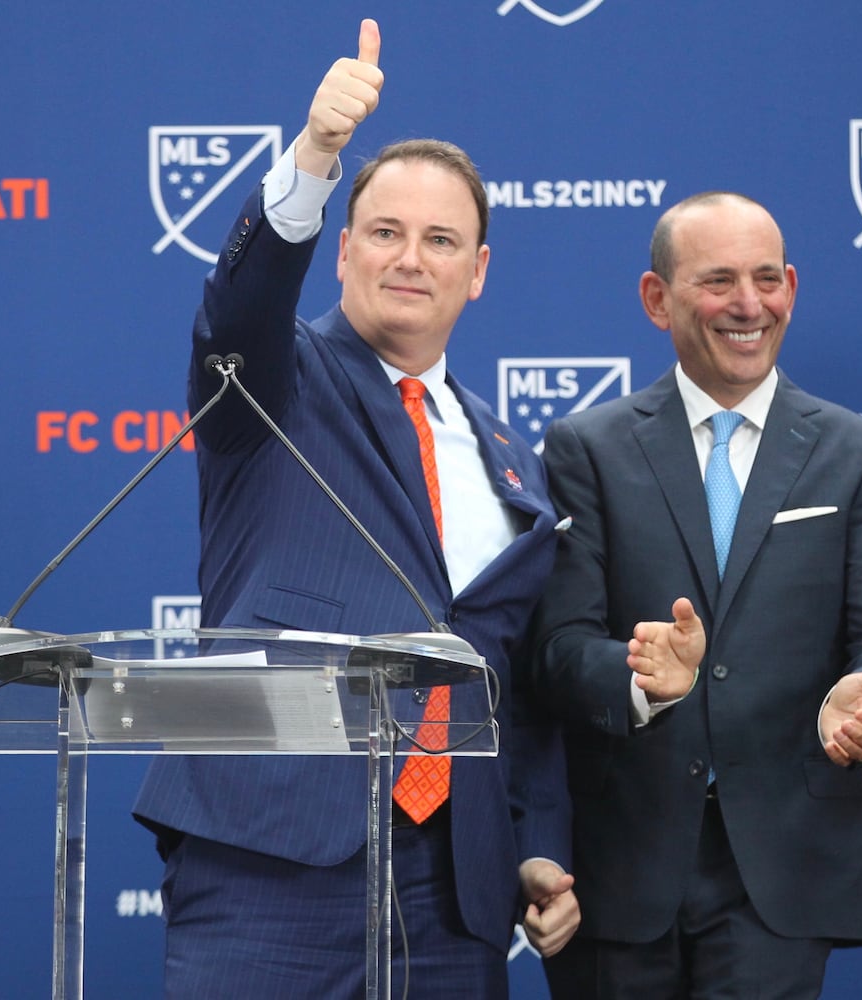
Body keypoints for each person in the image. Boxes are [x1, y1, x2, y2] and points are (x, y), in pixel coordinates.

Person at [132, 19, 585, 998]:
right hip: (271, 861)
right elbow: (237, 308)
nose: (410, 258)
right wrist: (314, 157)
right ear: (341, 251)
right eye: (385, 232)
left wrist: (535, 846)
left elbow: (517, 680)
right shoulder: (271, 379)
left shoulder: (515, 462)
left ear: (479, 271)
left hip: (454, 889)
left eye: (440, 240)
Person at [531, 190, 862, 998]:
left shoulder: (860, 455)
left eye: (767, 279)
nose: (749, 305)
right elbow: (558, 650)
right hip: (622, 864)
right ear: (657, 299)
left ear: (791, 286)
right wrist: (642, 677)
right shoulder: (586, 449)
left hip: (783, 861)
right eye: (718, 281)